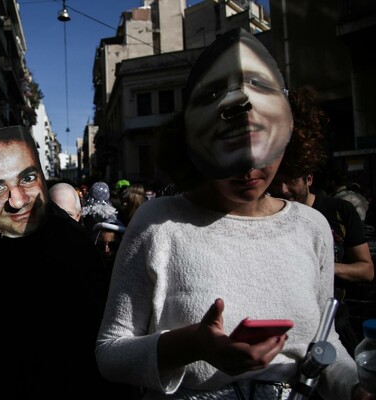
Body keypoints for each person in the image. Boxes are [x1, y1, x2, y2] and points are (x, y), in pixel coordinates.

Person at [95, 28, 368, 400]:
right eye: (229, 150)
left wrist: (354, 386)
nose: (249, 171)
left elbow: (324, 341)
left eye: (265, 149)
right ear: (194, 141)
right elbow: (110, 353)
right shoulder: (159, 223)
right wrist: (192, 345)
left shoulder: (311, 226)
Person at [0, 125, 131, 398]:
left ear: (42, 176)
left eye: (27, 178)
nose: (16, 201)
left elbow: (100, 334)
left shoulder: (72, 240)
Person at [268, 86, 375, 356]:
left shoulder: (340, 210)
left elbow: (366, 270)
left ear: (309, 178)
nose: (283, 190)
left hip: (336, 323)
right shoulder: (271, 214)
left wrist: (323, 267)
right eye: (277, 182)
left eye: (290, 181)